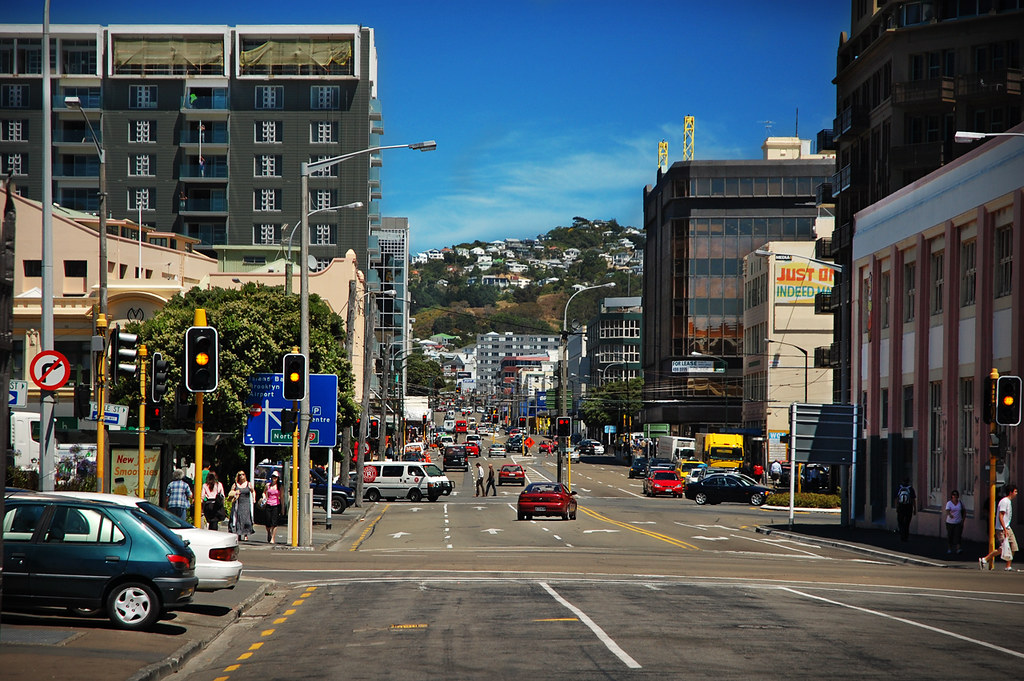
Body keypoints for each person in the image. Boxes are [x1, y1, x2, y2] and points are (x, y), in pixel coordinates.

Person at [981, 483, 1018, 571]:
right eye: (1015, 491)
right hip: (1002, 529)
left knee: (1013, 547)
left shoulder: (1008, 501)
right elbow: (1001, 516)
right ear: (1010, 492)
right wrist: (1004, 529)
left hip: (1007, 527)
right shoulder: (1004, 502)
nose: (1016, 493)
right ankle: (985, 559)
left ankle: (1008, 566)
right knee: (1003, 548)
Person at [229, 471, 254, 541]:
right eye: (240, 475)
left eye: (243, 474)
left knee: (246, 518)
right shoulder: (235, 485)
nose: (241, 476)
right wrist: (235, 493)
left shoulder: (248, 484)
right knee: (238, 518)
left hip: (246, 503)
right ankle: (239, 533)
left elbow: (252, 491)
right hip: (238, 503)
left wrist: (253, 498)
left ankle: (246, 534)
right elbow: (231, 493)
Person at [261, 471, 283, 544]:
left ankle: (273, 538)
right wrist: (264, 498)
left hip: (276, 505)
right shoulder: (268, 485)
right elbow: (264, 492)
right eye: (273, 476)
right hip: (268, 504)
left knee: (274, 522)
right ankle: (268, 533)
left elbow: (282, 497)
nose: (274, 478)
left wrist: (282, 508)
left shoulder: (279, 487)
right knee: (267, 522)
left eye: (276, 477)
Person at [944, 489, 965, 555]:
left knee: (958, 535)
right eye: (954, 496)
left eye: (956, 496)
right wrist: (950, 514)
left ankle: (958, 549)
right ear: (952, 497)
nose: (955, 497)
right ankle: (949, 548)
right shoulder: (949, 503)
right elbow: (947, 510)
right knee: (950, 535)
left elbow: (964, 511)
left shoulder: (960, 503)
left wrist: (963, 520)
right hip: (950, 522)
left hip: (958, 522)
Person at [895, 478, 916, 542]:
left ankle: (902, 534)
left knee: (900, 521)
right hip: (908, 507)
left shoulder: (899, 488)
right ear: (908, 482)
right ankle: (906, 536)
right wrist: (914, 509)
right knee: (907, 522)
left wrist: (897, 507)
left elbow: (896, 498)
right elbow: (913, 500)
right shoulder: (910, 489)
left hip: (901, 507)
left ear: (902, 481)